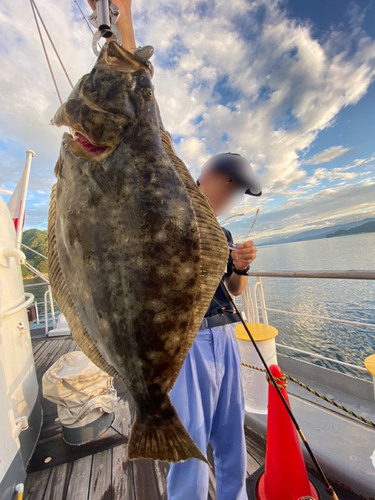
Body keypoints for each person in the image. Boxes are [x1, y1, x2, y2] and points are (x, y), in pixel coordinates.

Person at [87, 2, 262, 498]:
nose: (229, 198)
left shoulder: (222, 237)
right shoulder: (173, 199)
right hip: (183, 345)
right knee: (189, 449)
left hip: (225, 337)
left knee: (232, 439)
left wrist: (239, 267)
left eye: (237, 192)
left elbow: (232, 292)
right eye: (228, 185)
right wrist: (122, 23)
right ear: (206, 177)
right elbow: (142, 124)